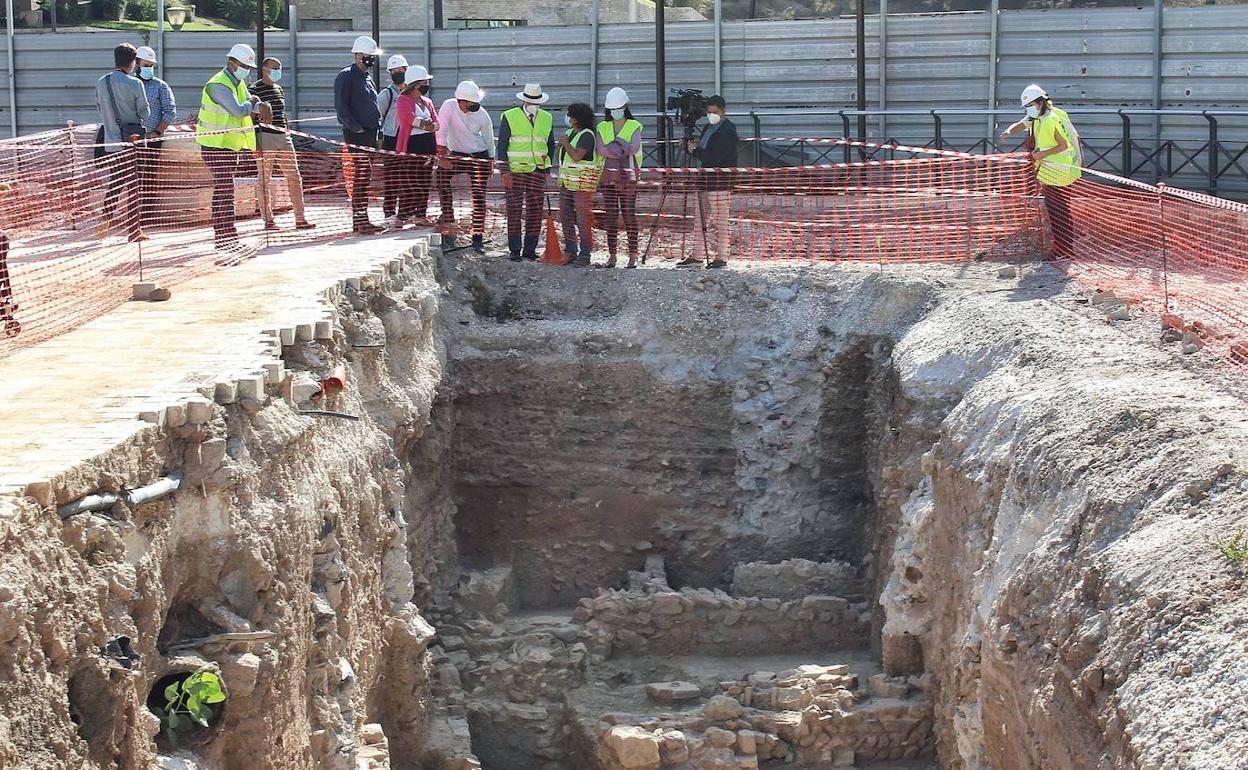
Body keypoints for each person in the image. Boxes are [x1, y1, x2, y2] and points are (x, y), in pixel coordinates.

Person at [195, 43, 270, 250]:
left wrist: (256, 104)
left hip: (229, 146)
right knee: (224, 191)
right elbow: (239, 110)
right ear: (232, 62)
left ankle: (226, 236)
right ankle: (225, 237)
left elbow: (249, 103)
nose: (247, 71)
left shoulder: (236, 82)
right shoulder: (218, 85)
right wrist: (253, 103)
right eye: (244, 66)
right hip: (214, 146)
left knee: (225, 190)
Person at [1002, 83, 1082, 259]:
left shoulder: (1047, 120)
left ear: (1038, 103)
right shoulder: (1045, 116)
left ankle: (1063, 251)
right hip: (1059, 170)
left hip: (1056, 171)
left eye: (1028, 106)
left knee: (1058, 213)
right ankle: (1065, 250)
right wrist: (1008, 131)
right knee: (1061, 212)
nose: (1027, 110)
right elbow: (1023, 124)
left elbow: (1063, 145)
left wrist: (1040, 155)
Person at [250, 57, 315, 232]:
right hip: (265, 137)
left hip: (283, 136)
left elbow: (282, 113)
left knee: (294, 176)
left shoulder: (279, 89)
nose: (278, 71)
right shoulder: (254, 90)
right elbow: (251, 118)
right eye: (274, 68)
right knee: (264, 179)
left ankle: (300, 218)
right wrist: (254, 144)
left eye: (280, 68)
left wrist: (287, 131)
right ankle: (268, 220)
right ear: (264, 69)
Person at [95, 42, 150, 242]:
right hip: (131, 143)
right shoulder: (135, 83)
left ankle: (105, 219)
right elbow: (145, 112)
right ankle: (134, 231)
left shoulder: (102, 82)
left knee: (116, 183)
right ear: (134, 62)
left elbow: (100, 108)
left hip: (110, 142)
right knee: (135, 187)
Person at [435, 80, 495, 253]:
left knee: (478, 196)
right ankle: (448, 217)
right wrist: (441, 154)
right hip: (458, 154)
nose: (475, 105)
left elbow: (489, 139)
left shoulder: (482, 115)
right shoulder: (449, 107)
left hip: (479, 156)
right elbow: (442, 129)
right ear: (461, 101)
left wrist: (490, 161)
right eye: (471, 102)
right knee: (440, 177)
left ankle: (478, 238)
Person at [498, 84, 556, 262]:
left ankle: (529, 249)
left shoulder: (547, 118)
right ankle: (515, 250)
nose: (533, 104)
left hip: (537, 170)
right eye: (530, 101)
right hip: (515, 171)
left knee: (535, 211)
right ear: (524, 100)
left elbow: (550, 144)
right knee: (514, 210)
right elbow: (502, 145)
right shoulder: (509, 116)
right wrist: (505, 171)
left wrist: (547, 167)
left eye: (535, 101)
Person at [334, 35, 384, 234]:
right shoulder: (346, 76)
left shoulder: (367, 78)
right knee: (362, 175)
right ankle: (360, 220)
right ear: (357, 55)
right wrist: (356, 128)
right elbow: (341, 106)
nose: (371, 59)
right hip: (358, 134)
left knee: (365, 176)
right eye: (367, 56)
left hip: (370, 133)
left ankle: (362, 219)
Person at [683, 94, 737, 269]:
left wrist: (695, 151)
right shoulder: (708, 127)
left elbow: (714, 156)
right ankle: (697, 255)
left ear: (723, 111)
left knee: (721, 220)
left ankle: (721, 257)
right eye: (709, 112)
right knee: (700, 220)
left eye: (714, 112)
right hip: (704, 180)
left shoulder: (728, 130)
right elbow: (705, 150)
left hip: (720, 183)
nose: (711, 115)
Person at [595, 86, 643, 268]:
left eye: (618, 108)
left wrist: (611, 149)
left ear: (625, 106)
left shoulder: (634, 125)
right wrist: (621, 148)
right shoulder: (602, 126)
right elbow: (600, 148)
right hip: (608, 178)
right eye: (612, 109)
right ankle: (612, 255)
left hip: (628, 178)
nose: (615, 112)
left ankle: (633, 255)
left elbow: (634, 147)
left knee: (629, 215)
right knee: (611, 216)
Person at [393, 65, 440, 228]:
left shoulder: (427, 102)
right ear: (415, 84)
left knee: (424, 181)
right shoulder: (403, 99)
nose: (426, 85)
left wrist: (430, 126)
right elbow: (406, 117)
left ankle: (420, 215)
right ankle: (402, 216)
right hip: (412, 146)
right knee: (410, 181)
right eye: (424, 82)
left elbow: (436, 123)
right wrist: (423, 124)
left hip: (428, 145)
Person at [133, 45, 175, 226]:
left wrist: (157, 131)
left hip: (152, 140)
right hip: (132, 139)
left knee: (149, 176)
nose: (149, 68)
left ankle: (147, 215)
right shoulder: (128, 84)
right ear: (136, 64)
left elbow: (170, 112)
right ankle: (132, 214)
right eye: (145, 64)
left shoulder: (160, 86)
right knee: (131, 176)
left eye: (151, 65)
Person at [556, 102, 598, 267]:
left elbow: (577, 156)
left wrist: (565, 144)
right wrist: (561, 145)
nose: (568, 117)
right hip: (567, 183)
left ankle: (585, 253)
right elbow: (562, 156)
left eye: (570, 115)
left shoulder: (587, 135)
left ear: (576, 118)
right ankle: (570, 250)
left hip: (582, 185)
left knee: (582, 220)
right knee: (565, 217)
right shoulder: (569, 133)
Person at [377, 53, 409, 226]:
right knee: (391, 178)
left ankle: (405, 212)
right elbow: (377, 117)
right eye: (394, 71)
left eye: (400, 70)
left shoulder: (413, 94)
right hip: (391, 139)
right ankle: (389, 212)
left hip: (410, 140)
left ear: (406, 70)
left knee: (408, 178)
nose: (397, 73)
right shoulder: (386, 95)